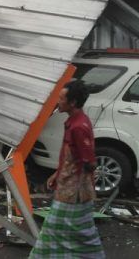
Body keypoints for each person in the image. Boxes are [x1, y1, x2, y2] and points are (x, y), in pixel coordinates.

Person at [30, 80, 105, 258]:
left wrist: (74, 179)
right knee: (79, 233)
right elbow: (72, 156)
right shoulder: (74, 121)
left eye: (62, 98)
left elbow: (89, 161)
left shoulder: (79, 126)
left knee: (55, 231)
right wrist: (58, 173)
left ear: (72, 102)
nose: (58, 101)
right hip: (70, 189)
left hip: (74, 192)